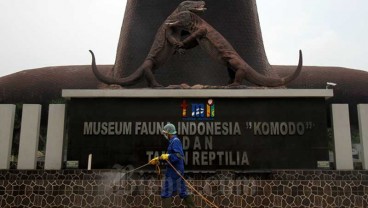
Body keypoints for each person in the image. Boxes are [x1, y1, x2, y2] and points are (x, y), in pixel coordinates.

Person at [149, 123, 196, 208]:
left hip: (174, 171)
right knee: (183, 191)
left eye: (165, 133)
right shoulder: (173, 142)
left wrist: (168, 156)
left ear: (169, 133)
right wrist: (158, 159)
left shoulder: (175, 141)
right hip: (177, 170)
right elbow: (171, 157)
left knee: (166, 192)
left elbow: (179, 156)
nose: (165, 135)